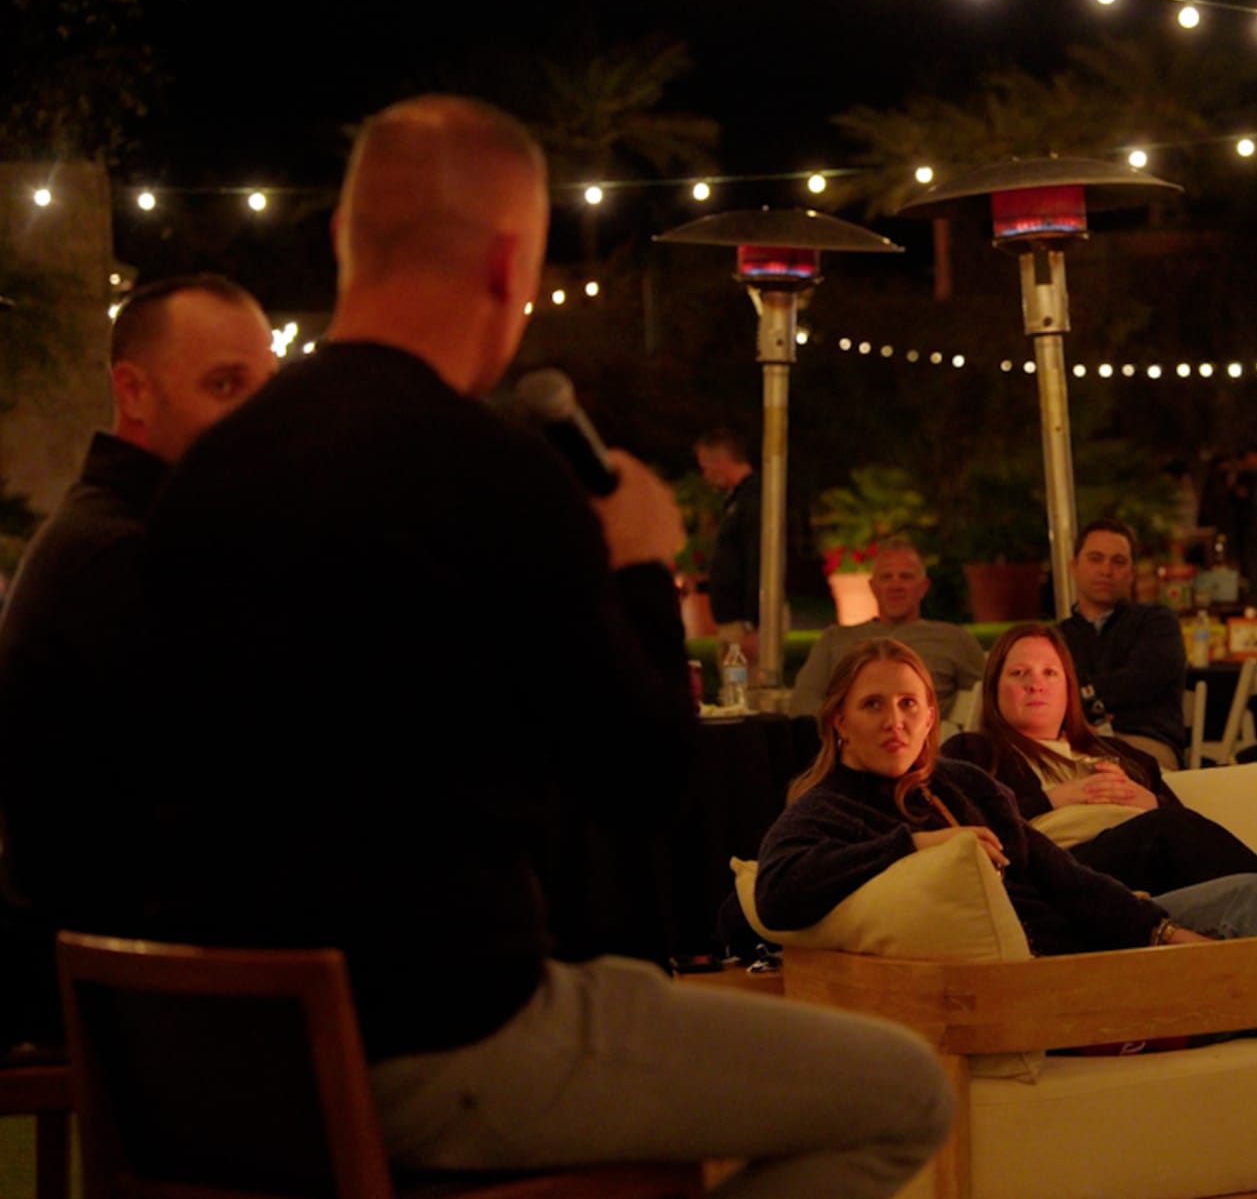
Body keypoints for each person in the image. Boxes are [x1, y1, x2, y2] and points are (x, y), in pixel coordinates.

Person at [141, 95, 949, 1195]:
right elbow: (646, 782)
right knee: (902, 1093)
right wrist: (633, 569)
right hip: (446, 1036)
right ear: (511, 259)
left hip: (222, 1058)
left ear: (343, 240)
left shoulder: (208, 479)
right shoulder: (488, 473)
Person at [755, 638, 1257, 1162]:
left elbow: (1062, 877)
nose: (897, 723)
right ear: (838, 720)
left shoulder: (960, 786)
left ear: (932, 712)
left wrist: (1158, 930)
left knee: (1247, 898)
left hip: (1094, 935)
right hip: (1044, 978)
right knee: (1239, 910)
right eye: (875, 707)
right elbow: (775, 890)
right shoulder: (829, 807)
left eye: (911, 705)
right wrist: (911, 847)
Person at [0, 274, 278, 1047]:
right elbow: (239, 791)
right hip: (131, 987)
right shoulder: (128, 559)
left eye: (267, 390)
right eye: (226, 387)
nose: (260, 421)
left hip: (131, 963)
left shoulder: (147, 536)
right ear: (134, 391)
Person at [941, 624, 1257, 981]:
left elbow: (1192, 831)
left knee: (1225, 871)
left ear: (1069, 687)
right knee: (1166, 830)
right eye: (1018, 672)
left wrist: (1148, 801)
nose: (1035, 683)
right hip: (1065, 871)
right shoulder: (974, 752)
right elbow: (975, 825)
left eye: (1050, 672)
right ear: (995, 688)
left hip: (1144, 867)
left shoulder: (1122, 754)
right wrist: (1054, 796)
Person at [787, 539, 984, 716]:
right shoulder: (835, 639)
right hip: (848, 745)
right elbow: (804, 701)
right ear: (873, 586)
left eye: (905, 577)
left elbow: (988, 700)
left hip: (924, 746)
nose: (895, 585)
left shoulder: (954, 639)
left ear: (923, 587)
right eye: (886, 577)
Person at [1059, 518, 1188, 768]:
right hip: (1072, 745)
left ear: (1131, 573)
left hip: (1144, 744)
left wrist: (1079, 693)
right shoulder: (1057, 637)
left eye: (1118, 561)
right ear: (1074, 567)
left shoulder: (1156, 623)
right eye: (1095, 558)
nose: (1106, 570)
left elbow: (1145, 680)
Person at [696, 426, 760, 647]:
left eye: (705, 467)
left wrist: (755, 625)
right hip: (734, 623)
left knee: (744, 680)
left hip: (744, 626)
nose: (705, 475)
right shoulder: (737, 500)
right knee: (735, 679)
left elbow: (758, 558)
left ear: (719, 461)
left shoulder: (752, 499)